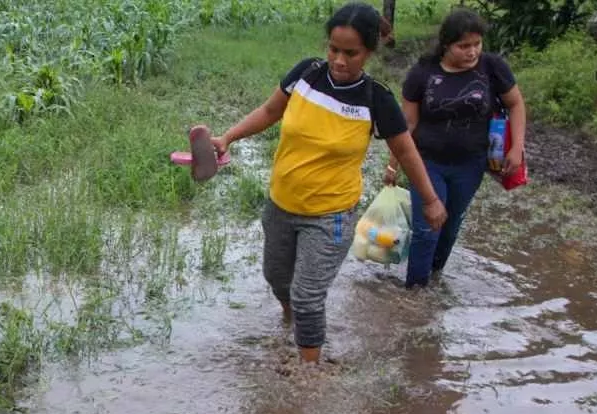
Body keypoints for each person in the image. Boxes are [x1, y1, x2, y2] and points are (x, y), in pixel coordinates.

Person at [209, 2, 446, 366]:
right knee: (277, 279)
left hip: (330, 215)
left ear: (368, 52)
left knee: (308, 295)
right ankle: (291, 321)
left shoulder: (376, 98)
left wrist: (429, 200)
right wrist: (228, 138)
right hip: (281, 204)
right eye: (334, 49)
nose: (339, 60)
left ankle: (309, 371)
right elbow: (270, 111)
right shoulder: (307, 74)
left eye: (351, 53)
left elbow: (406, 150)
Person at [384, 8, 527, 289]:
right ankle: (415, 291)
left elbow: (516, 104)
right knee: (428, 227)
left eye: (477, 44)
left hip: (471, 164)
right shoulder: (423, 73)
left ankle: (433, 277)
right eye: (464, 46)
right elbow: (407, 125)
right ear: (446, 44)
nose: (472, 52)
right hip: (426, 162)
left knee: (449, 227)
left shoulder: (492, 68)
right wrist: (393, 164)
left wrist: (517, 147)